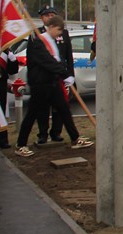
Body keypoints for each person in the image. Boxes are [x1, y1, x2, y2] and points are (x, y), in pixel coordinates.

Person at [14, 16, 93, 157]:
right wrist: (64, 74)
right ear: (50, 27)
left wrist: (66, 74)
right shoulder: (39, 42)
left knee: (64, 109)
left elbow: (60, 59)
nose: (59, 34)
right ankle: (20, 145)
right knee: (32, 114)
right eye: (58, 30)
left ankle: (75, 138)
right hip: (41, 84)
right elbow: (48, 61)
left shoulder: (51, 41)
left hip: (53, 82)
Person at [37, 6, 75, 144]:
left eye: (52, 14)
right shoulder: (38, 33)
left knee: (60, 107)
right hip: (45, 77)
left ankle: (56, 132)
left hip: (60, 76)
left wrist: (70, 75)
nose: (49, 17)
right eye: (46, 15)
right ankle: (42, 134)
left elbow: (68, 56)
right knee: (43, 107)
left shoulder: (63, 33)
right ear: (42, 18)